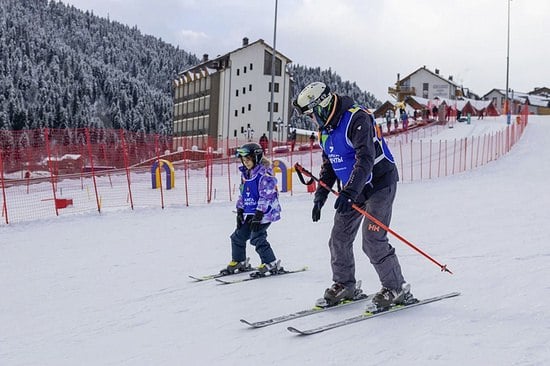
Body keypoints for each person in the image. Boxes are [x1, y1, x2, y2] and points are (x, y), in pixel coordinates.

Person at [293, 81, 413, 308]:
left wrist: (349, 192)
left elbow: (365, 158)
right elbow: (330, 164)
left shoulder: (357, 119)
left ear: (322, 106)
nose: (311, 119)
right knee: (339, 238)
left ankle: (396, 288)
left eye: (311, 113)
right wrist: (321, 196)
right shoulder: (325, 131)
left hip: (379, 183)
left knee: (372, 239)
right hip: (353, 188)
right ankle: (345, 284)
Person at [220, 142, 283, 277]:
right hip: (250, 213)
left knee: (257, 237)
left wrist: (259, 214)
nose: (246, 162)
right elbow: (243, 193)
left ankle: (270, 262)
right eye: (244, 160)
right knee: (238, 237)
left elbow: (267, 196)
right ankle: (239, 261)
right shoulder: (246, 174)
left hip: (264, 213)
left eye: (248, 159)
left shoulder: (265, 175)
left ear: (256, 158)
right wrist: (240, 211)